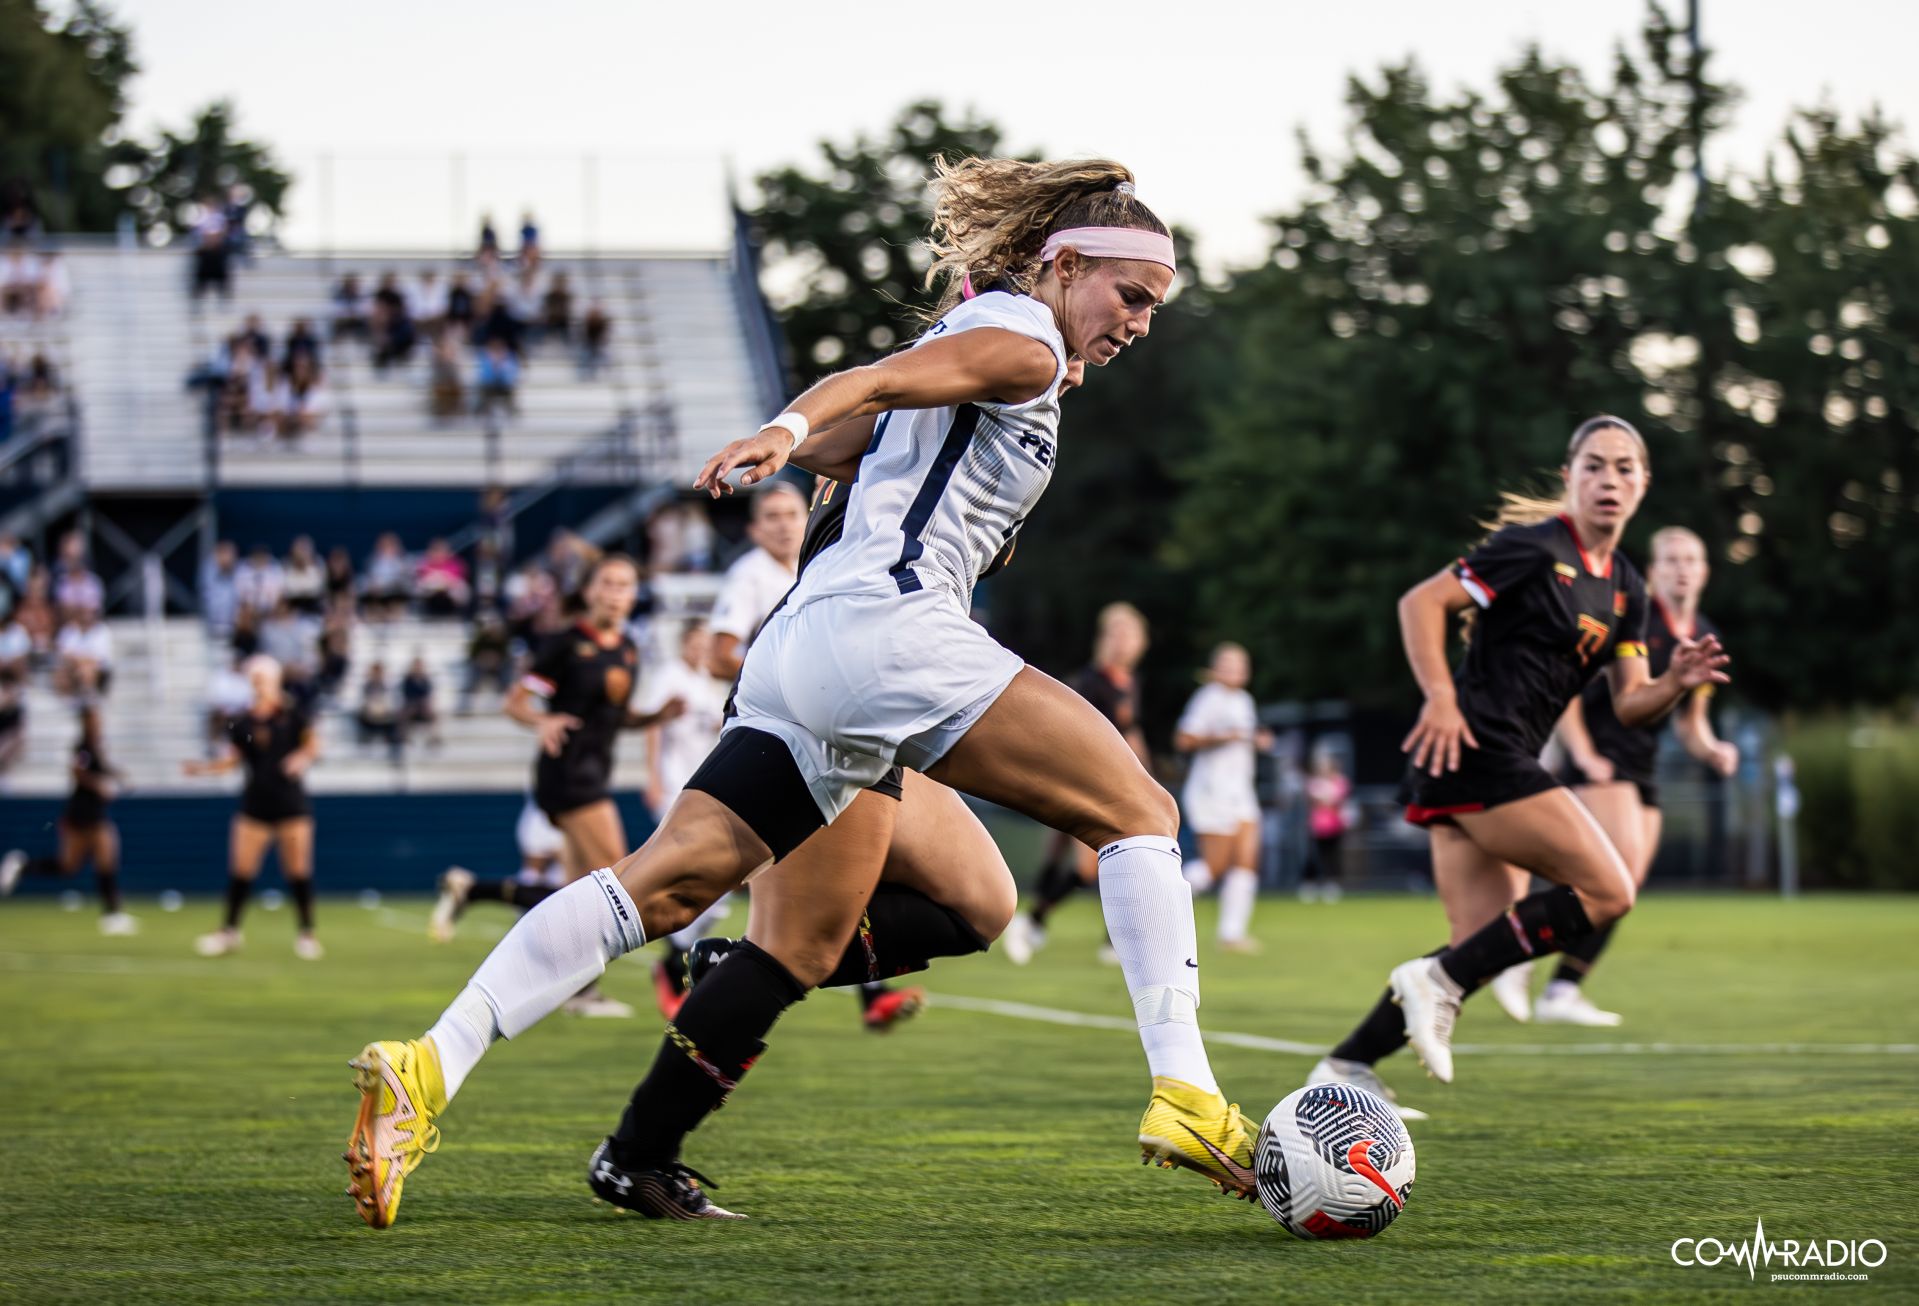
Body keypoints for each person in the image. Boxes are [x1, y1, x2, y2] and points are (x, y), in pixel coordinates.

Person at [343, 160, 1253, 1228]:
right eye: (1130, 296)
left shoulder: (1001, 350)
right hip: (890, 637)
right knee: (1139, 812)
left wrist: (798, 444)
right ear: (1061, 265)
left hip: (805, 651)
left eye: (1152, 306)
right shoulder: (1024, 340)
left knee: (667, 887)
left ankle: (429, 1061)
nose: (1140, 323)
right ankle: (1185, 1089)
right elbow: (864, 386)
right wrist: (783, 429)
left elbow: (863, 427)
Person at [1306, 417, 1729, 1119]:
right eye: (1594, 466)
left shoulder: (1627, 587)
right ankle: (1432, 982)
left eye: (1624, 469)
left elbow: (1630, 706)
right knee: (1607, 892)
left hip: (1483, 765)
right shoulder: (1532, 548)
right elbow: (1420, 603)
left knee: (1477, 946)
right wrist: (1439, 696)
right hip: (1477, 753)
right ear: (1569, 476)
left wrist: (1676, 682)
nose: (1609, 481)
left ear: (1642, 485)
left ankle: (1344, 1065)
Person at [1488, 524, 1742, 1027]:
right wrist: (1583, 755)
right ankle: (1506, 954)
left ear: (1706, 571)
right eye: (1670, 560)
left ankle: (1561, 989)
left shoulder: (1705, 631)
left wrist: (1712, 750)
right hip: (1604, 755)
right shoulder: (1633, 616)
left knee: (1621, 893)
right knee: (1608, 879)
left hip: (1643, 762)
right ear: (1653, 571)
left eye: (1691, 560)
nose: (1681, 568)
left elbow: (1691, 722)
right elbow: (1571, 694)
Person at [1002, 600, 1152, 964]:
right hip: (1085, 780)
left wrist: (1146, 778)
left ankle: (1103, 938)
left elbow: (1130, 735)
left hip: (1114, 784)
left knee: (1113, 857)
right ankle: (1031, 922)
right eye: (1117, 632)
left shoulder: (1129, 684)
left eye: (1130, 633)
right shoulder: (1090, 682)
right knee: (1089, 865)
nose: (1124, 641)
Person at [184, 656, 323, 959]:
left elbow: (313, 745)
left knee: (298, 870)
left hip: (291, 804)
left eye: (264, 677)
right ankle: (229, 932)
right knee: (241, 871)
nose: (259, 683)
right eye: (255, 677)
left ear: (275, 681)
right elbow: (231, 760)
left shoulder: (293, 714)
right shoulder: (242, 721)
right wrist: (203, 769)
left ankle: (306, 933)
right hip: (255, 804)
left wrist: (301, 758)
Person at [0, 706, 135, 933]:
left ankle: (24, 866)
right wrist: (99, 785)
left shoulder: (96, 748)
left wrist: (118, 776)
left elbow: (103, 767)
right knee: (97, 858)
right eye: (95, 719)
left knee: (72, 865)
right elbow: (77, 770)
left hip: (94, 813)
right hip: (81, 813)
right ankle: (112, 915)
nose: (99, 723)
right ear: (87, 722)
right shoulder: (82, 747)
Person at [1174, 643, 1270, 952]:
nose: (1234, 670)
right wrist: (1223, 737)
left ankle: (1231, 933)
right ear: (1215, 668)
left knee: (1246, 861)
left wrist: (1258, 740)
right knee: (1214, 866)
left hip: (1240, 791)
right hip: (1211, 792)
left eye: (1240, 664)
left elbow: (1244, 738)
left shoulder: (1244, 700)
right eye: (1227, 664)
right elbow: (1184, 738)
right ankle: (1157, 903)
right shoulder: (1208, 698)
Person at [705, 481, 805, 681]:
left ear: (808, 521)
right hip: (771, 704)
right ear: (754, 530)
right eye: (772, 517)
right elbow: (720, 658)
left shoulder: (809, 567)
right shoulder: (748, 574)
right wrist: (777, 684)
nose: (784, 525)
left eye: (792, 515)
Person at [1301, 747, 1352, 902]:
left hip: (1335, 825)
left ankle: (1332, 885)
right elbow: (1313, 800)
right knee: (1314, 855)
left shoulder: (1340, 781)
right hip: (1317, 825)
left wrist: (1327, 800)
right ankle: (1309, 885)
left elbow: (1337, 801)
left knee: (1333, 856)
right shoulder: (1314, 782)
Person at [356, 662, 402, 761]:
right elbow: (364, 703)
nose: (377, 675)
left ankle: (395, 750)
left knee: (395, 721)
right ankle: (365, 741)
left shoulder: (387, 687)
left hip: (383, 717)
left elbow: (390, 704)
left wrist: (381, 709)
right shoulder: (366, 687)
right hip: (370, 717)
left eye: (379, 673)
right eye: (375, 673)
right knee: (361, 715)